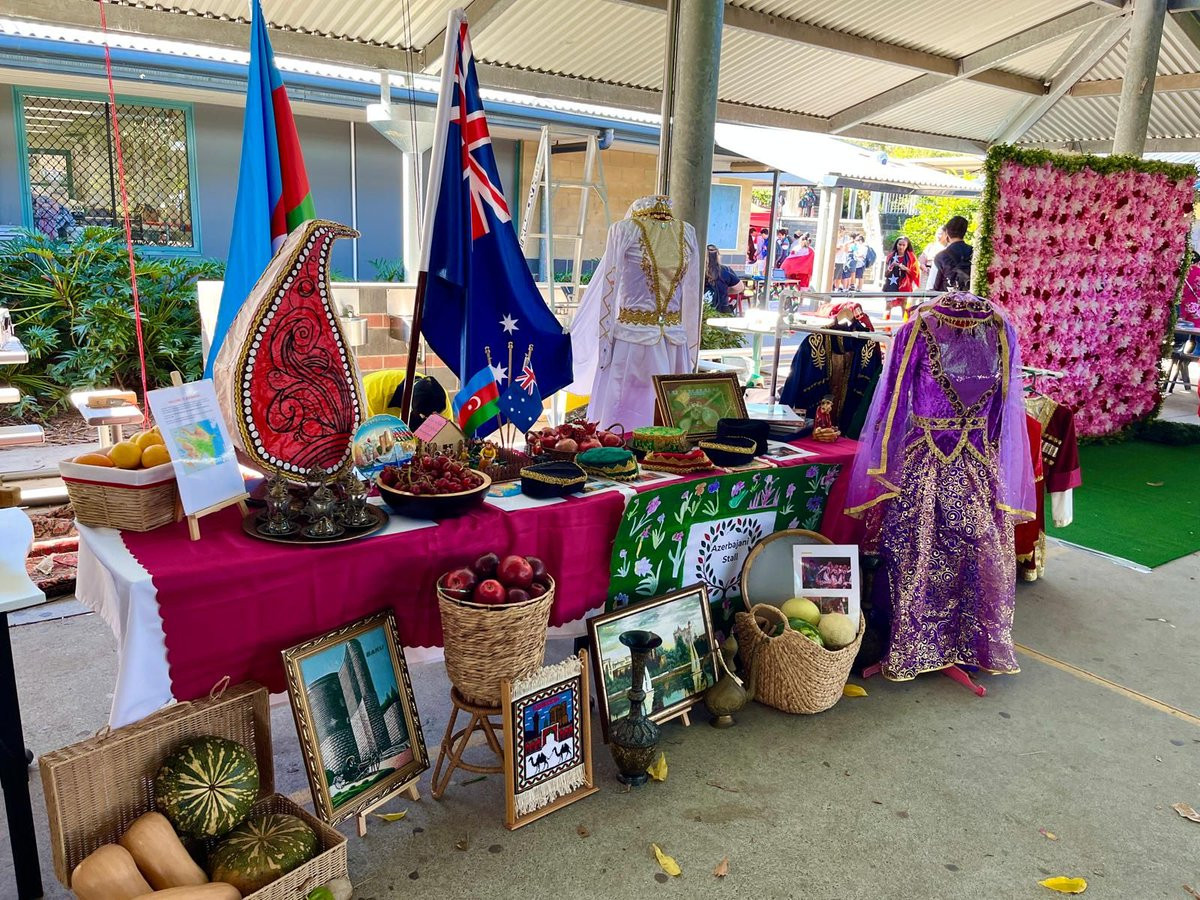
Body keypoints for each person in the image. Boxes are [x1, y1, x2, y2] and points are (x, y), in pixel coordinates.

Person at [882, 236, 920, 319]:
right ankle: (886, 324)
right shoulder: (891, 256)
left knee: (905, 307)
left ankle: (905, 325)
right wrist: (891, 266)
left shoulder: (911, 257)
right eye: (899, 244)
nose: (901, 247)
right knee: (888, 306)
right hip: (891, 285)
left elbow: (915, 273)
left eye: (903, 245)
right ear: (896, 244)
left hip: (905, 285)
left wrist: (905, 268)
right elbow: (885, 274)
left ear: (907, 246)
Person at [933, 216, 973, 292]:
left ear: (947, 233)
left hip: (948, 297)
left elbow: (934, 286)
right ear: (964, 232)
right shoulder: (973, 252)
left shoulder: (940, 256)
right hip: (972, 297)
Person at [704, 244, 744, 314]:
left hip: (701, 311)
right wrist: (725, 291)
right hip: (722, 311)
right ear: (718, 256)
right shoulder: (725, 270)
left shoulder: (698, 271)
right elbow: (739, 287)